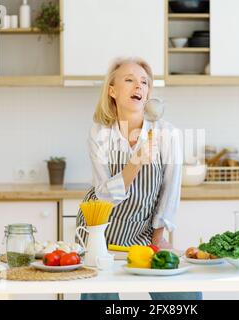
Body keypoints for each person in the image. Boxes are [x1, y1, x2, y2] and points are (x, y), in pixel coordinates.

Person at [77, 56, 202, 300]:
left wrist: (158, 236)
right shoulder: (100, 133)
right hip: (99, 232)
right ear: (112, 90)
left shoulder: (167, 133)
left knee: (185, 295)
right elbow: (103, 195)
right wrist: (135, 162)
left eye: (144, 82)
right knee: (100, 298)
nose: (139, 86)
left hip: (143, 233)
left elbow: (170, 190)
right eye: (130, 80)